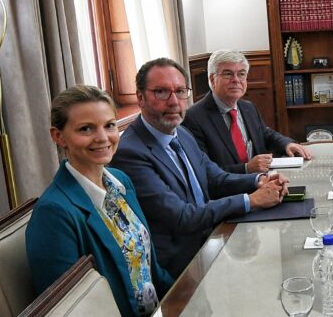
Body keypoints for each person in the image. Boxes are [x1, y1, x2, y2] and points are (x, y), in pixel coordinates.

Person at [111, 58, 287, 278]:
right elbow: (182, 217)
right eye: (161, 92)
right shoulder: (130, 152)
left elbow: (216, 179)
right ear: (140, 98)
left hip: (211, 238)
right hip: (180, 264)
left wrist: (258, 180)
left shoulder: (181, 132)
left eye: (180, 91)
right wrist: (251, 200)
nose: (174, 102)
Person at [26, 85, 174, 317]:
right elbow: (72, 312)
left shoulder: (120, 181)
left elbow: (149, 266)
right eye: (86, 129)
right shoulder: (54, 214)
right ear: (58, 137)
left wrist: (181, 301)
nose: (103, 138)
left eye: (109, 125)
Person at [182, 49, 312, 174]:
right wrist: (246, 168)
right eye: (228, 74)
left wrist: (286, 144)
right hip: (230, 193)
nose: (236, 80)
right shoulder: (194, 118)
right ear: (212, 79)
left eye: (241, 74)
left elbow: (266, 134)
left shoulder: (248, 108)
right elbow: (203, 171)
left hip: (263, 183)